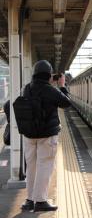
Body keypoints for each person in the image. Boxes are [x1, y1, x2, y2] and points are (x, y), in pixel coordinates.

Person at [21, 60, 71, 212]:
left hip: (29, 135)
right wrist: (62, 85)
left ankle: (30, 200)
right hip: (47, 136)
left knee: (32, 167)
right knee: (45, 166)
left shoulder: (27, 89)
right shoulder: (50, 90)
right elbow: (66, 103)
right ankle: (41, 201)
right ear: (49, 75)